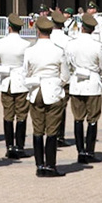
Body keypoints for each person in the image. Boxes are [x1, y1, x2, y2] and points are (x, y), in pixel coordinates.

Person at [23, 14, 69, 176]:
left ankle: (39, 165)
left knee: (38, 129)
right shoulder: (58, 51)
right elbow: (65, 76)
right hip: (53, 90)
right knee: (52, 130)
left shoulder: (30, 51)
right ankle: (50, 165)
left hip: (36, 91)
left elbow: (25, 73)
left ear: (37, 30)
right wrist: (57, 84)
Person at [65, 12, 102, 164]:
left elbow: (67, 64)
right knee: (92, 119)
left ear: (82, 27)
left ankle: (80, 151)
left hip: (76, 82)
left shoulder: (71, 43)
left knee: (78, 118)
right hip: (92, 83)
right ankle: (89, 151)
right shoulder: (97, 46)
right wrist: (101, 74)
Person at [0, 12, 32, 160]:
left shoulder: (0, 43)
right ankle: (20, 146)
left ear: (9, 27)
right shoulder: (26, 44)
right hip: (21, 81)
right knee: (21, 115)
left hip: (6, 81)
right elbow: (28, 65)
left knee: (8, 115)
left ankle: (9, 146)